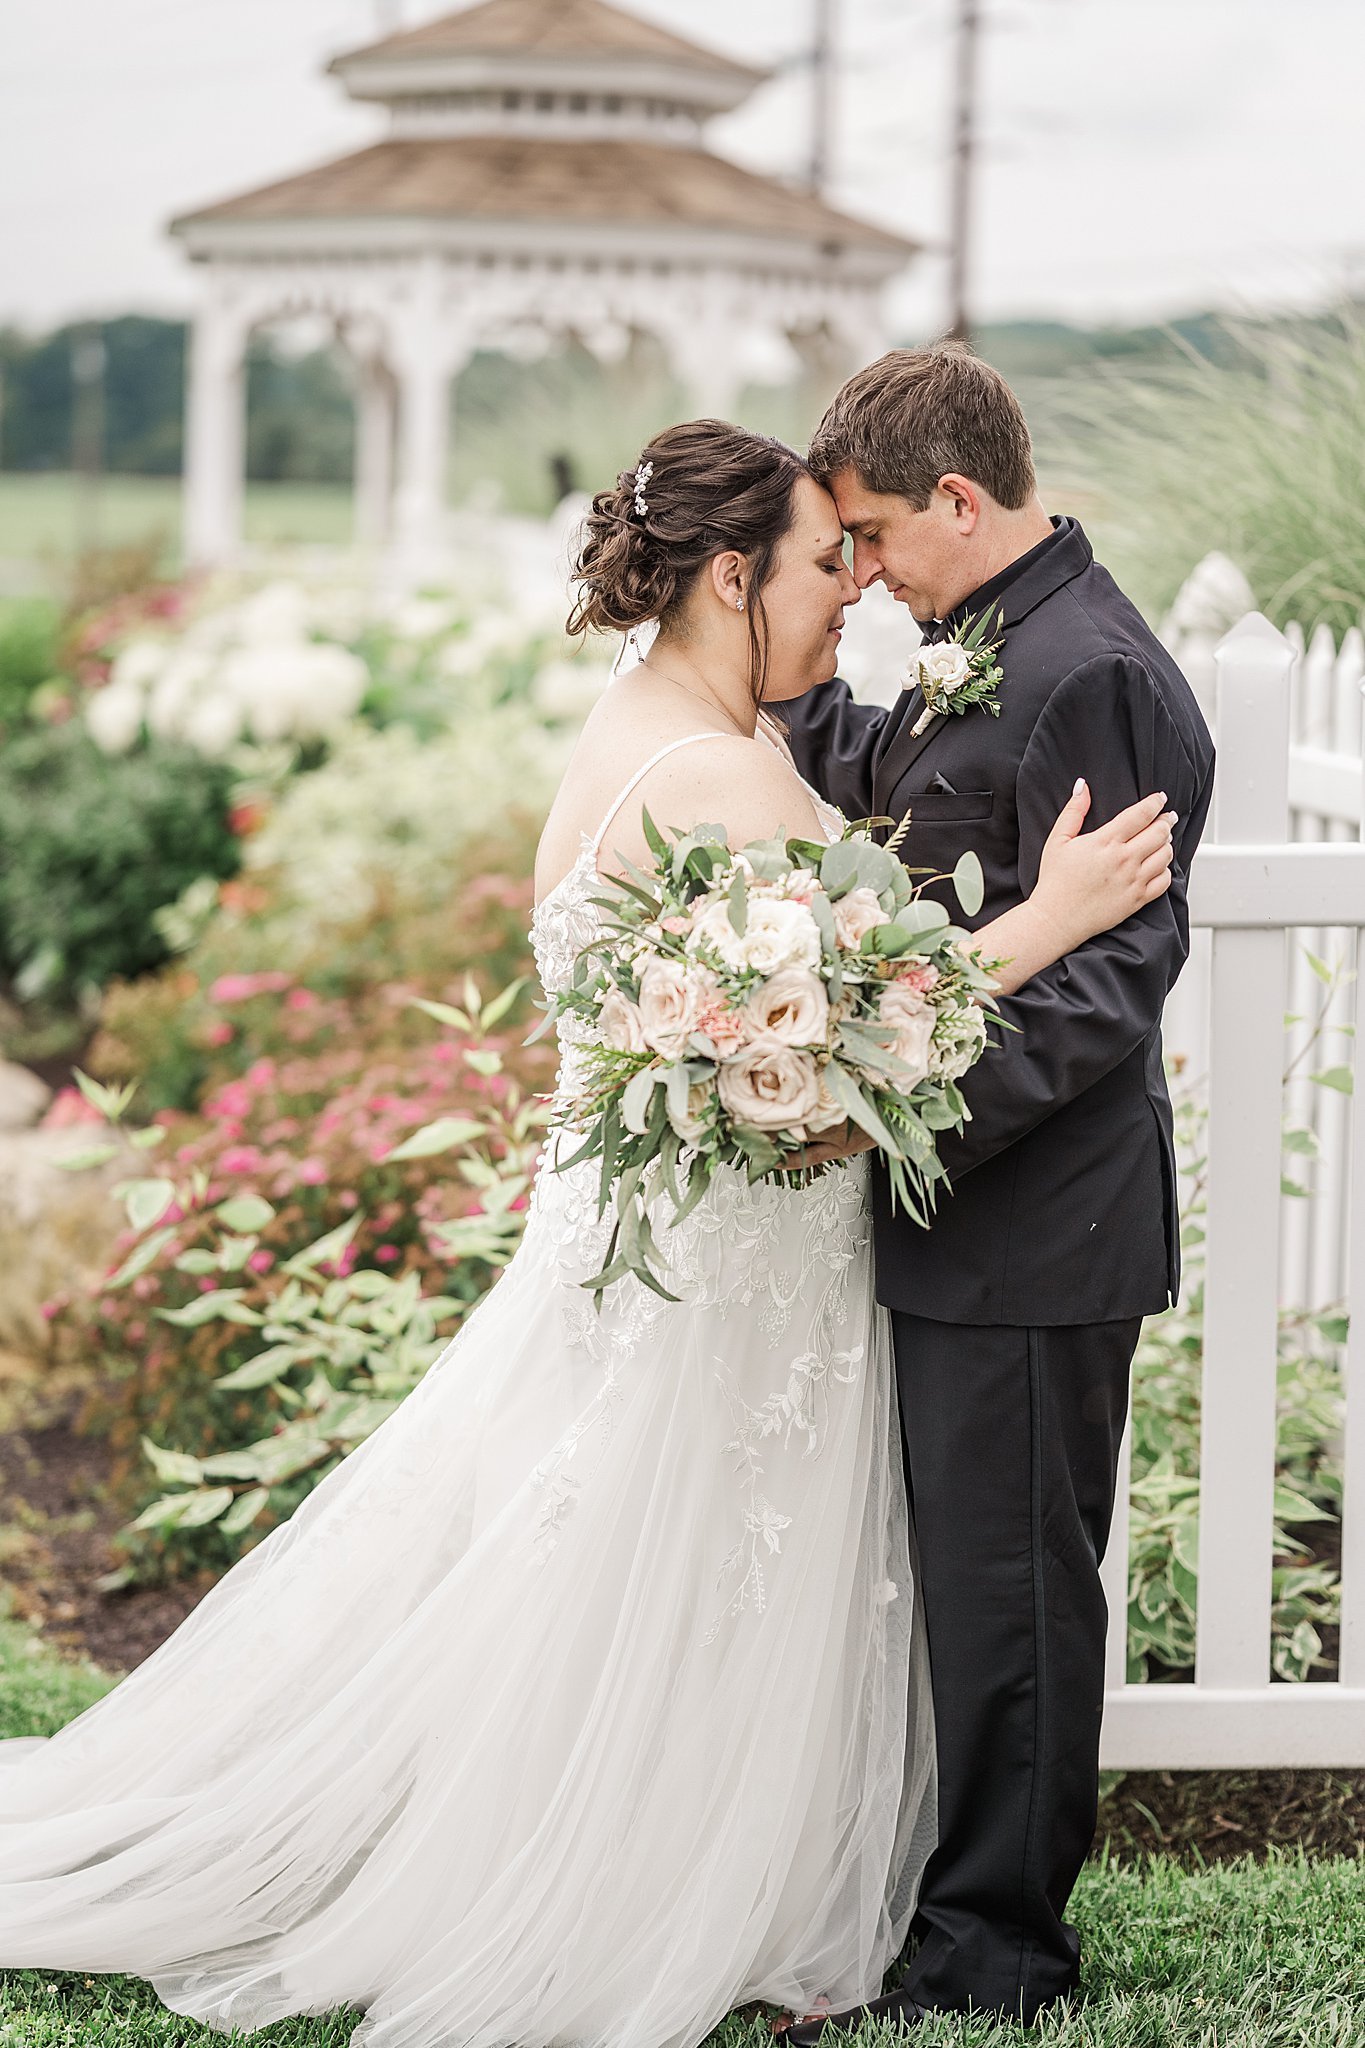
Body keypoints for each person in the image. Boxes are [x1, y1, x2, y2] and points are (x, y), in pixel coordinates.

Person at [0, 419, 1176, 2048]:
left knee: (627, 1565)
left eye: (860, 551)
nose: (849, 594)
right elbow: (860, 1027)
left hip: (655, 1237)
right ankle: (636, 1878)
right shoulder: (712, 775)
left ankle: (697, 1855)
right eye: (822, 563)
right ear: (725, 576)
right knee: (665, 1565)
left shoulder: (660, 726)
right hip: (717, 1262)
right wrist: (1046, 918)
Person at [780, 345, 1216, 2037]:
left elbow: (1106, 990)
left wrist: (893, 1115)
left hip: (1036, 1231)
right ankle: (946, 1916)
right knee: (963, 1585)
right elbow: (907, 793)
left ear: (959, 500)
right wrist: (727, 670)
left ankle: (996, 1958)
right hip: (965, 1229)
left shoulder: (1090, 673)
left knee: (1014, 1600)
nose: (866, 570)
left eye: (878, 534)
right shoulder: (990, 649)